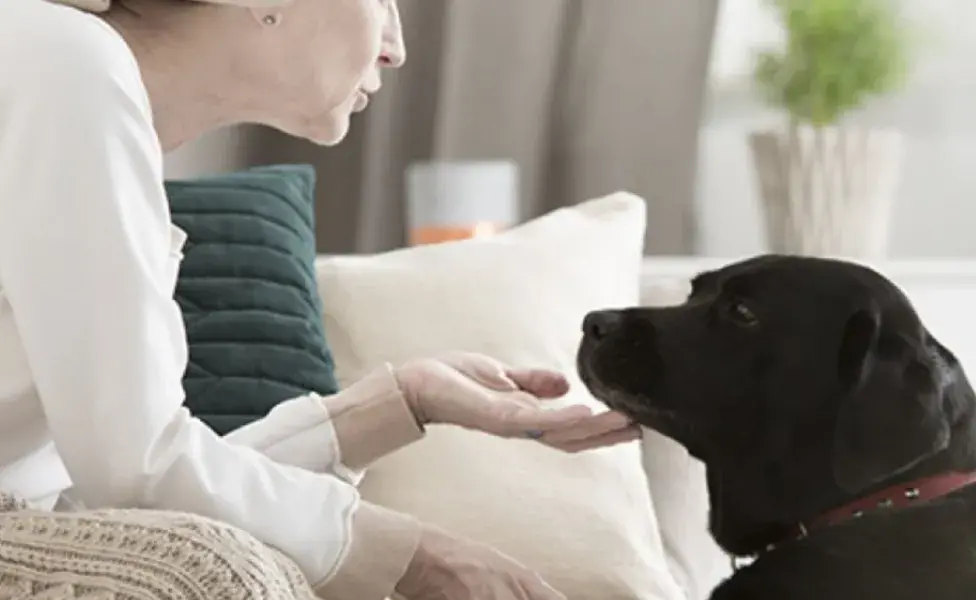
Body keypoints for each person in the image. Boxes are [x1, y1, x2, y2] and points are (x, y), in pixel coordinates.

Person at [0, 0, 643, 599]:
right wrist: (420, 557)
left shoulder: (72, 73)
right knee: (224, 574)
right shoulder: (65, 64)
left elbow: (114, 503)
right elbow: (136, 474)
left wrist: (400, 403)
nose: (395, 49)